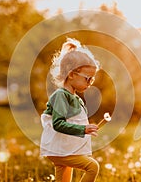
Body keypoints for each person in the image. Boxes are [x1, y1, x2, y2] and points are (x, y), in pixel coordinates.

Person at [40, 38, 100, 182]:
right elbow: (58, 123)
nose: (90, 84)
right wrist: (83, 129)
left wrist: (86, 128)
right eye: (87, 79)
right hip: (59, 149)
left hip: (62, 149)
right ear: (72, 74)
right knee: (93, 167)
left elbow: (73, 120)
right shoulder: (61, 95)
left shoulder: (74, 98)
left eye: (92, 80)